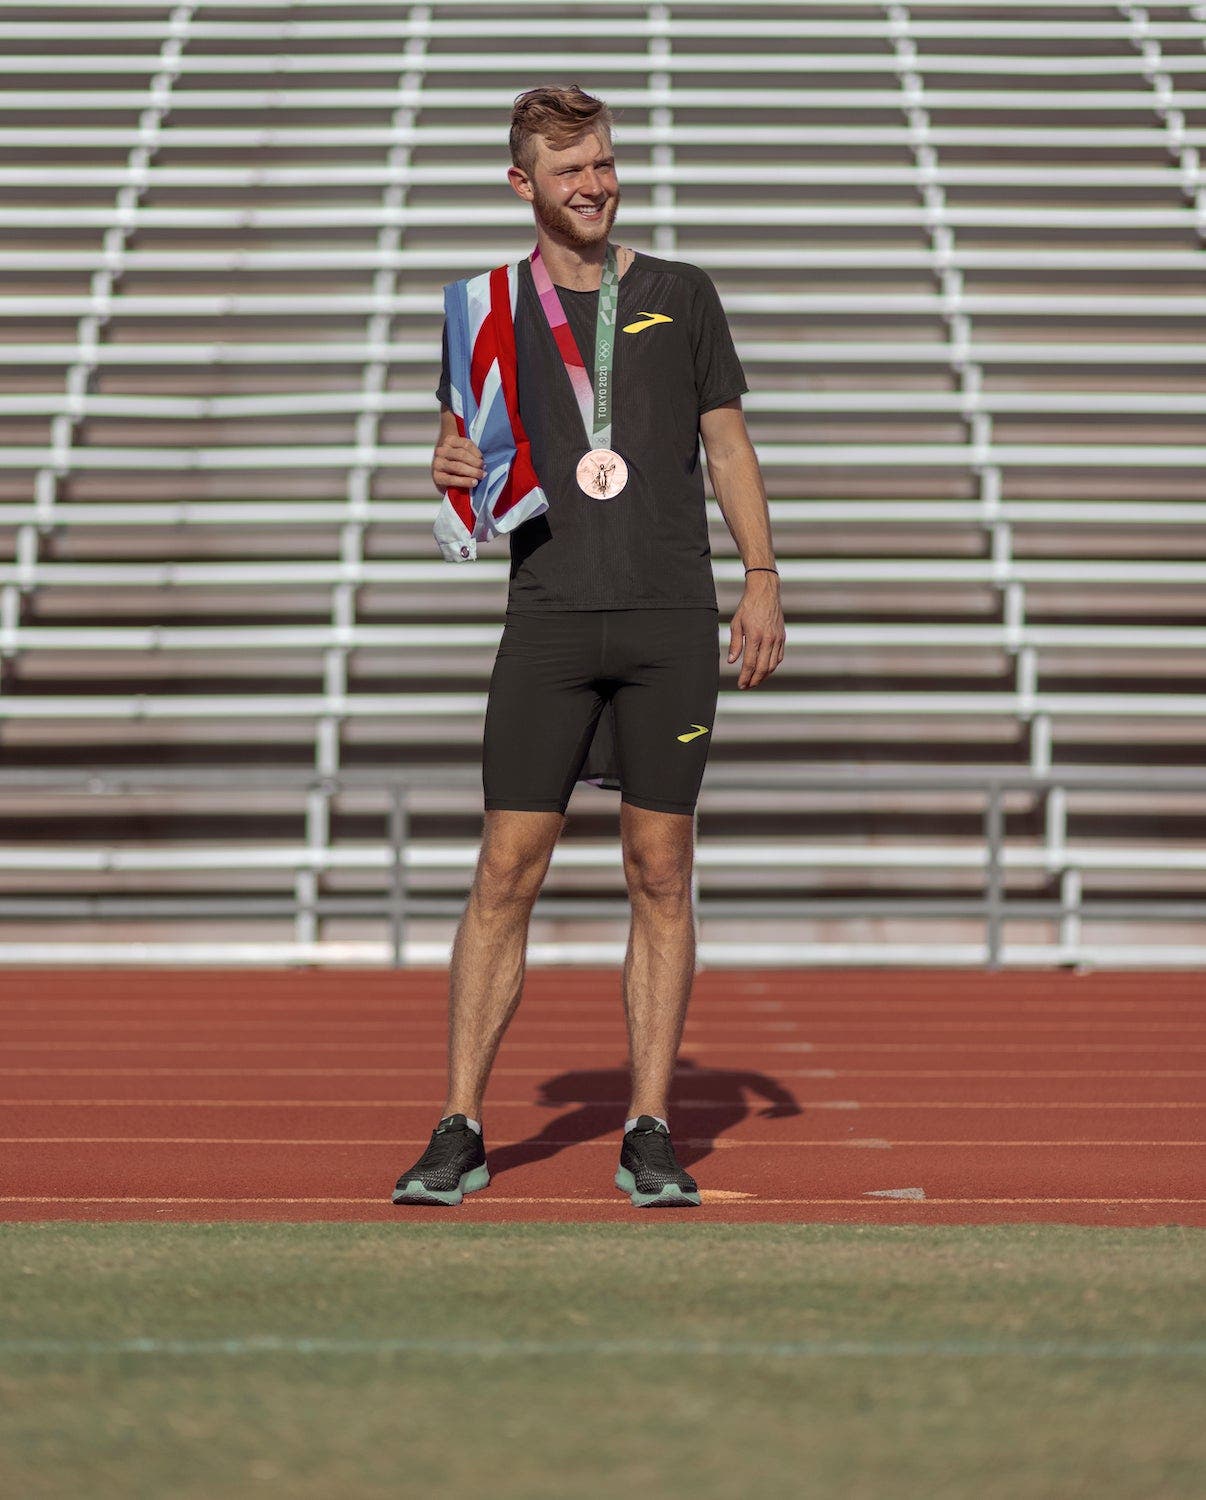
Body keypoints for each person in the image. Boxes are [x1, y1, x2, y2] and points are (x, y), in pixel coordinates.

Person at [392, 84, 785, 1210]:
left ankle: (649, 1127)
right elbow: (463, 447)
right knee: (505, 870)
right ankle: (461, 1123)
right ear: (525, 186)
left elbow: (728, 444)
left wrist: (762, 578)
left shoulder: (679, 293)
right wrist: (446, 466)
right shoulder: (480, 307)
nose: (596, 184)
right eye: (570, 171)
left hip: (669, 615)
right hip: (551, 615)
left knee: (660, 871)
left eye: (604, 162)